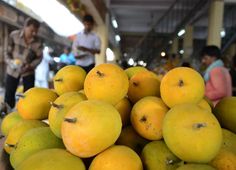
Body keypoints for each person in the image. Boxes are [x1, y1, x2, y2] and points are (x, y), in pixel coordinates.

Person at [4, 17, 43, 108]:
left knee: (28, 96)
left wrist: (30, 66)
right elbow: (7, 52)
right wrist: (11, 62)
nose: (34, 34)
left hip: (28, 72)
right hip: (12, 70)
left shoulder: (38, 43)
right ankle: (6, 114)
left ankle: (25, 116)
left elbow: (39, 58)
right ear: (25, 26)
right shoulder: (14, 35)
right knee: (9, 95)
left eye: (36, 32)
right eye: (31, 30)